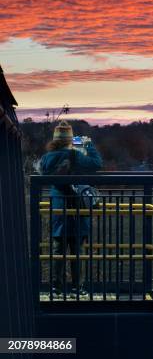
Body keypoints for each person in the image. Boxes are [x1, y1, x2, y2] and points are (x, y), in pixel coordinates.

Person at [40, 121, 102, 298]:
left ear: (54, 140)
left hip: (58, 206)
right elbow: (97, 163)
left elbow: (43, 173)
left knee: (58, 249)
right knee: (77, 251)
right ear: (70, 139)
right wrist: (87, 144)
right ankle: (77, 288)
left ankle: (55, 288)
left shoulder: (47, 158)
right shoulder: (76, 156)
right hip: (77, 208)